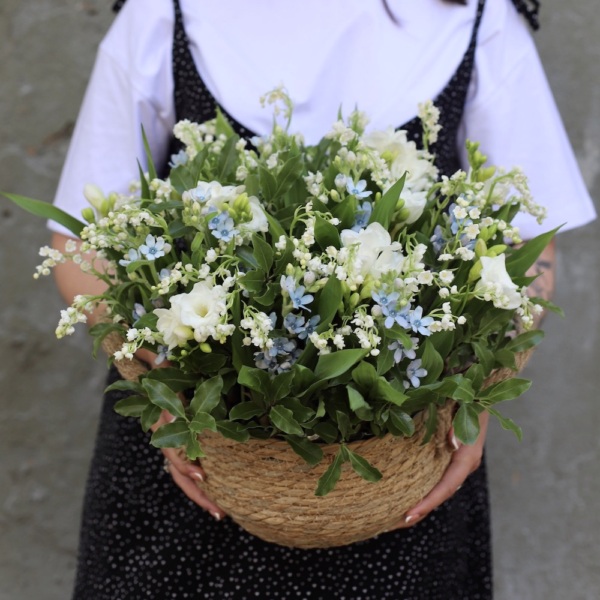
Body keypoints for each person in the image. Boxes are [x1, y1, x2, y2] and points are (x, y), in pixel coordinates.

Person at [49, 0, 596, 598]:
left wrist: (479, 388)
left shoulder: (478, 18)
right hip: (193, 473)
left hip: (402, 474)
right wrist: (162, 386)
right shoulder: (165, 12)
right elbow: (81, 242)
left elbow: (527, 252)